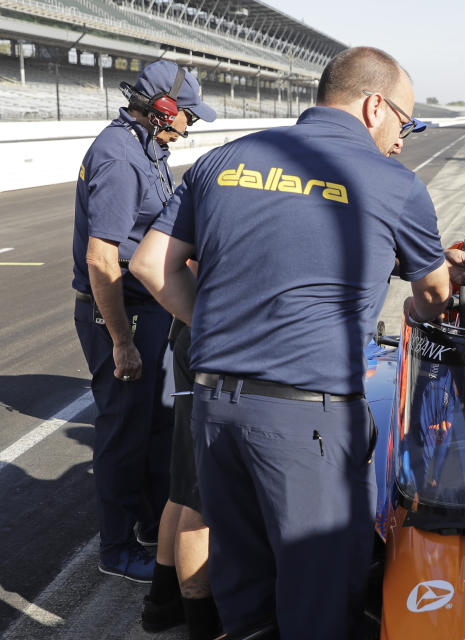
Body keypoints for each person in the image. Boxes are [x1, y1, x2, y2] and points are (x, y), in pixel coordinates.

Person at [130, 46, 465, 640]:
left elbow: (149, 265)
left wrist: (222, 328)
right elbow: (430, 298)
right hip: (307, 422)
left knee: (245, 598)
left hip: (215, 408)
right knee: (318, 602)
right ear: (375, 106)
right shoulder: (393, 181)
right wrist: (441, 283)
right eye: (405, 123)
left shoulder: (222, 159)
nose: (403, 140)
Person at [72, 59, 214, 584]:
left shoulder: (146, 148)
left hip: (147, 309)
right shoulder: (120, 158)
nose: (190, 126)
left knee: (156, 426)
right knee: (123, 430)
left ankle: (154, 525)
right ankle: (114, 547)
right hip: (122, 313)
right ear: (163, 109)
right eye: (188, 117)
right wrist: (121, 342)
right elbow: (102, 259)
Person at [141, 318, 222, 639]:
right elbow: (155, 267)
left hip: (200, 335)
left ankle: (163, 602)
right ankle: (200, 624)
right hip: (217, 340)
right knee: (199, 498)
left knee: (185, 487)